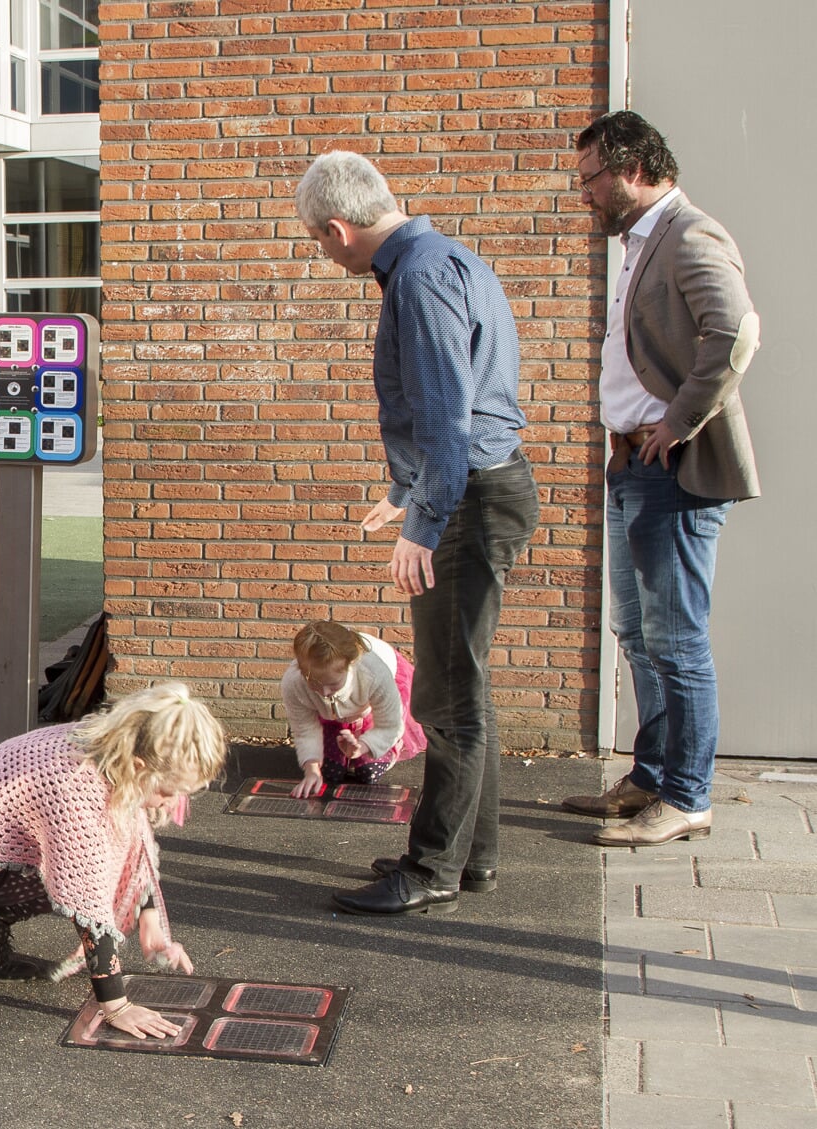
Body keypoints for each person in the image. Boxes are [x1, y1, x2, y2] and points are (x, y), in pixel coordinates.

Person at [294, 150, 539, 917]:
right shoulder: (447, 258)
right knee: (466, 686)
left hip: (468, 498)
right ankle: (474, 859)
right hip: (475, 488)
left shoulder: (422, 277)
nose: (324, 253)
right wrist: (405, 493)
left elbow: (446, 416)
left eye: (318, 240)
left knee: (446, 696)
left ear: (338, 228)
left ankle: (432, 868)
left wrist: (424, 524)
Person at [559, 112, 763, 848]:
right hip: (628, 465)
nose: (584, 194)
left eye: (590, 179)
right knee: (638, 633)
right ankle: (650, 775)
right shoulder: (643, 241)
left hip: (669, 467)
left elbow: (736, 330)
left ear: (633, 167)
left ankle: (687, 796)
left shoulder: (689, 233)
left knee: (676, 639)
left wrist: (681, 420)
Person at [0, 681, 226, 1040]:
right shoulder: (77, 789)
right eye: (168, 792)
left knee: (97, 862)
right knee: (76, 877)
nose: (171, 803)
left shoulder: (102, 742)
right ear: (138, 765)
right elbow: (89, 899)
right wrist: (116, 1006)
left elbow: (133, 840)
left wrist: (148, 920)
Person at [282, 620, 427, 801]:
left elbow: (390, 724)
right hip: (333, 713)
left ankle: (380, 746)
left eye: (333, 684)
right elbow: (305, 728)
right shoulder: (293, 682)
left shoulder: (374, 673)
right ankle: (337, 732)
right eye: (316, 683)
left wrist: (363, 747)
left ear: (350, 666)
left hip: (369, 707)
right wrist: (311, 769)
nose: (325, 692)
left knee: (367, 773)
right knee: (331, 773)